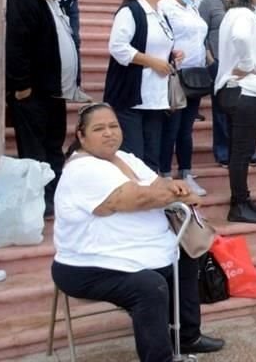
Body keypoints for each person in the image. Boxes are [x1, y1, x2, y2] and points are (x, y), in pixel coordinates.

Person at [51, 103, 225, 361]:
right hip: (89, 265)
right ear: (81, 136)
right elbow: (138, 198)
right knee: (149, 286)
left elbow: (162, 185)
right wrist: (174, 193)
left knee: (187, 255)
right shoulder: (82, 169)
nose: (109, 133)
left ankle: (187, 337)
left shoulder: (125, 158)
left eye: (113, 126)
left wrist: (171, 189)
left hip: (143, 254)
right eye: (99, 128)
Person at [6, 0, 80, 217]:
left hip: (54, 92)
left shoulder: (53, 3)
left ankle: (54, 196)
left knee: (53, 146)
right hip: (33, 93)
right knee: (35, 151)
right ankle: (38, 202)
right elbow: (17, 47)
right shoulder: (25, 3)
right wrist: (21, 85)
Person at [105, 0, 180, 173]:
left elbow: (157, 46)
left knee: (152, 155)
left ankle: (150, 200)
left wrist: (171, 57)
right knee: (133, 156)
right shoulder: (131, 11)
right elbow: (118, 47)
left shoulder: (160, 13)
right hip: (132, 95)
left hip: (155, 97)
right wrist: (152, 62)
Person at [214, 0, 256, 223]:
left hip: (241, 91)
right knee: (241, 152)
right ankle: (238, 204)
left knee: (242, 151)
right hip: (245, 91)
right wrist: (248, 64)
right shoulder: (243, 15)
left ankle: (243, 198)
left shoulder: (237, 14)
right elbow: (240, 38)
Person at [158, 0, 208, 196]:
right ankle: (166, 173)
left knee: (186, 129)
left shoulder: (192, 7)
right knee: (172, 127)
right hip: (175, 75)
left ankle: (186, 172)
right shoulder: (164, 6)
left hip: (195, 76)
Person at [198, 0, 242, 167]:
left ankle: (242, 150)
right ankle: (223, 152)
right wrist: (209, 58)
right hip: (218, 61)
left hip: (240, 64)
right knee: (221, 108)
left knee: (241, 108)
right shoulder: (209, 2)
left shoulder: (242, 3)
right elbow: (201, 32)